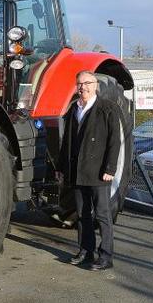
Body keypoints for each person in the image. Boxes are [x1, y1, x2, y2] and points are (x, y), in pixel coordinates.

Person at [58, 71, 121, 271]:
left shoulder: (107, 108)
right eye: (79, 83)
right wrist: (61, 168)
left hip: (99, 172)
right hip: (78, 171)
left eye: (87, 83)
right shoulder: (74, 110)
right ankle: (85, 251)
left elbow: (114, 141)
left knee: (102, 214)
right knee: (83, 214)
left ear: (95, 85)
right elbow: (66, 142)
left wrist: (110, 168)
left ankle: (106, 255)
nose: (82, 87)